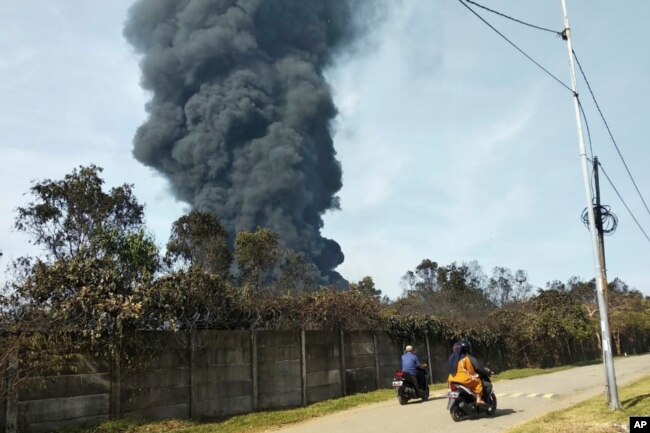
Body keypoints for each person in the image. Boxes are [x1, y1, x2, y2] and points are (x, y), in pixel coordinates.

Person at [447, 340, 490, 405]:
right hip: (463, 379)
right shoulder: (465, 358)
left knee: (450, 390)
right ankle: (479, 399)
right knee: (478, 382)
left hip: (451, 379)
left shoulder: (451, 358)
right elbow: (472, 370)